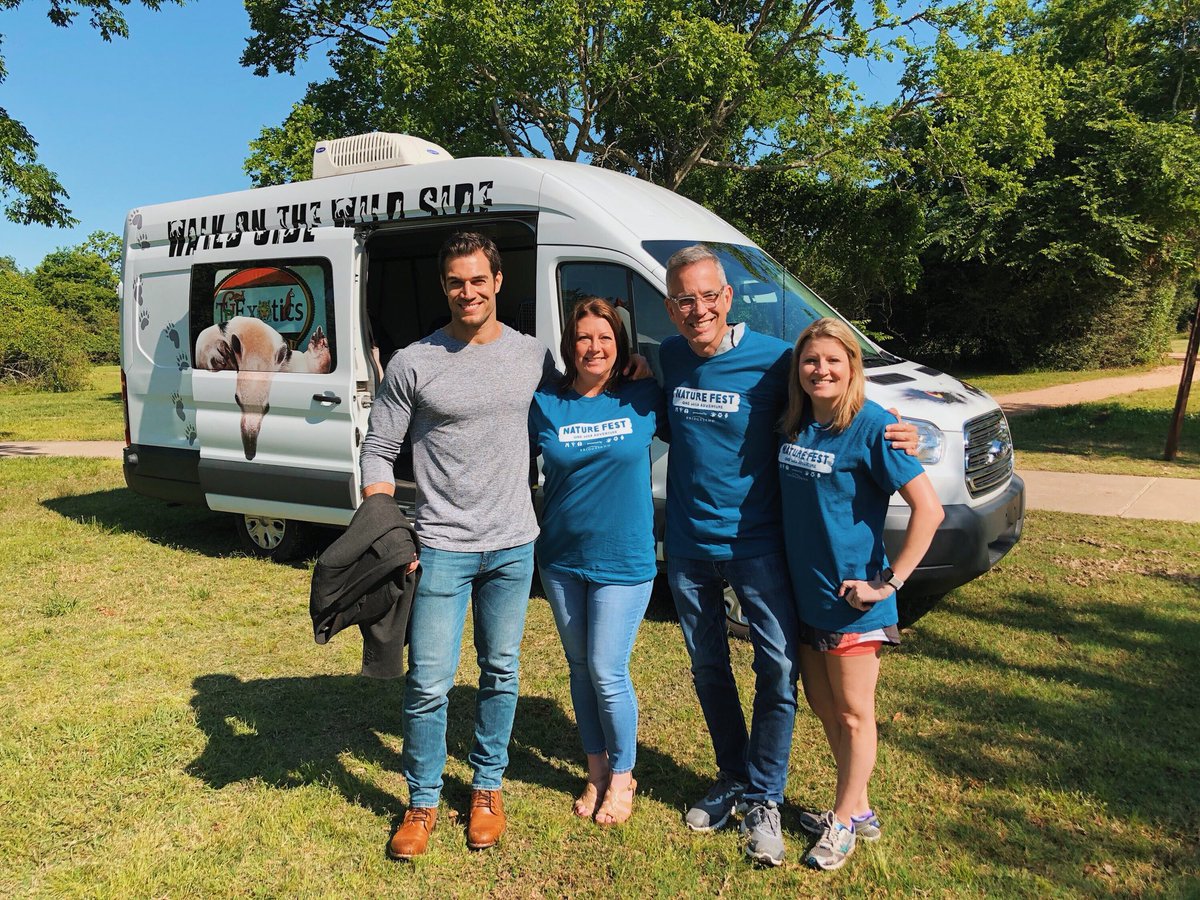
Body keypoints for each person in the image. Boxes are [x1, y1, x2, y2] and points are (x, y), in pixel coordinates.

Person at [658, 245, 917, 867]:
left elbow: (835, 386)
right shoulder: (665, 358)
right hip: (689, 548)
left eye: (707, 296)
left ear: (727, 298)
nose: (698, 310)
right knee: (707, 669)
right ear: (670, 309)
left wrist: (893, 425)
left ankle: (766, 796)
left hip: (759, 546)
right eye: (684, 300)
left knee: (776, 672)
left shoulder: (776, 359)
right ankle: (732, 778)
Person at [361, 232, 556, 861]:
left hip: (512, 544)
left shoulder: (532, 357)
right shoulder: (413, 361)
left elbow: (578, 398)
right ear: (444, 286)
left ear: (498, 282)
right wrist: (385, 526)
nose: (467, 291)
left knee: (501, 671)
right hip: (441, 544)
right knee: (429, 682)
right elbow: (378, 449)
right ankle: (421, 801)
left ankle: (487, 788)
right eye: (455, 282)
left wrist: (628, 369)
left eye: (478, 280)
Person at [777, 317, 944, 871]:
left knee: (853, 715)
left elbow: (930, 509)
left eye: (833, 360)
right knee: (826, 708)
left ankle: (843, 820)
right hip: (806, 596)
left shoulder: (874, 426)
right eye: (810, 360)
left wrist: (888, 583)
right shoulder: (797, 422)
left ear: (853, 367)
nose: (820, 370)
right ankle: (861, 807)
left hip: (855, 601)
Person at [528, 297, 667, 826]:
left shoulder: (642, 394)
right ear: (570, 345)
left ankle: (625, 775)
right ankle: (596, 770)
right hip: (562, 559)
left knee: (608, 670)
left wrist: (647, 364)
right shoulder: (546, 403)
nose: (595, 347)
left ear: (621, 345)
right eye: (585, 337)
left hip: (624, 560)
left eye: (606, 338)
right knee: (581, 671)